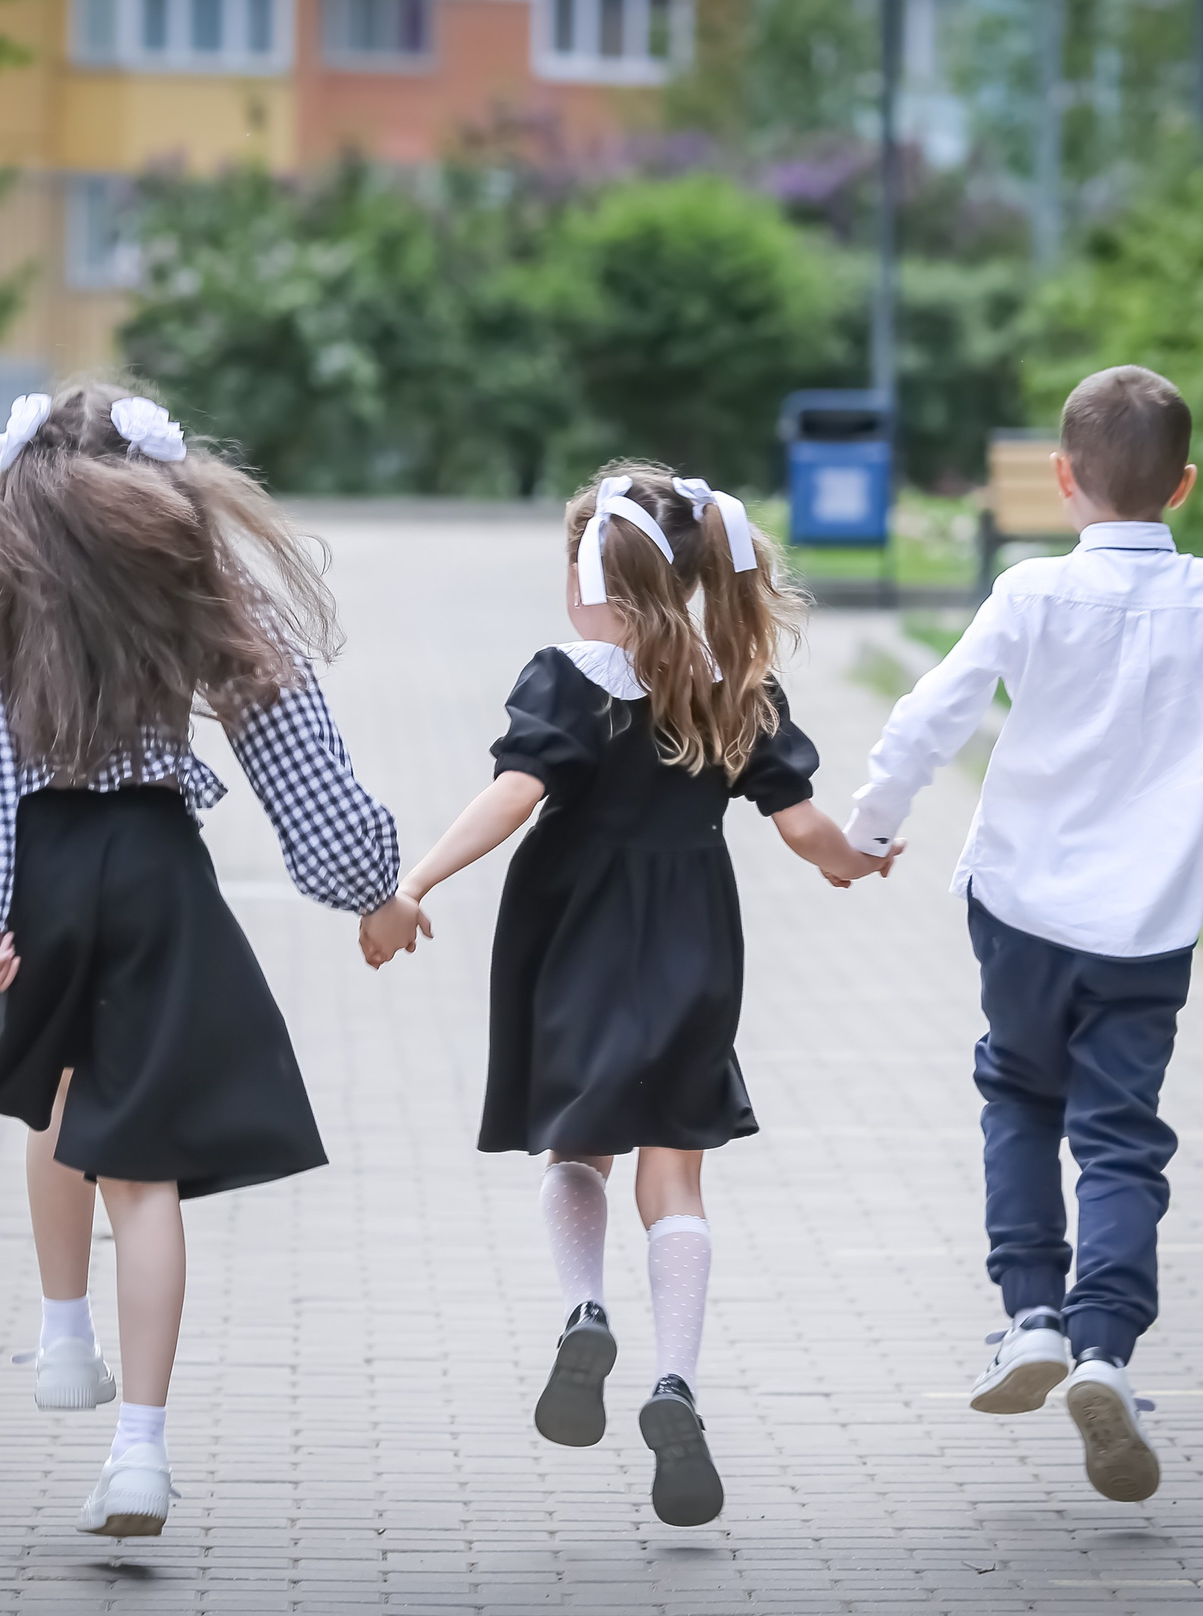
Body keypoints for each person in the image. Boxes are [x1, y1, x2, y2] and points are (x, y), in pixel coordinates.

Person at [0, 383, 420, 1540]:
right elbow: (295, 747)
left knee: (56, 1084)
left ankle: (60, 1332)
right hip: (151, 865)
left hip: (37, 875)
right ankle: (138, 1448)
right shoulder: (193, 587)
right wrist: (370, 888)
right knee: (140, 1174)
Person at [362, 463, 896, 1527]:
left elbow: (513, 794)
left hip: (574, 934)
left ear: (586, 571)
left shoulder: (568, 675)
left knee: (577, 1147)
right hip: (694, 935)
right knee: (677, 1169)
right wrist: (854, 860)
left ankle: (583, 1305)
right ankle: (676, 1381)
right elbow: (801, 828)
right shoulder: (731, 676)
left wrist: (412, 881)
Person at [843, 366, 1203, 1502]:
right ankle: (1105, 1346)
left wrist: (870, 827)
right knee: (1119, 1133)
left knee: (1018, 1093)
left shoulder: (1028, 592)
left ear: (1062, 478)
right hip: (1149, 919)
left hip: (1018, 905)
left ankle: (1030, 1319)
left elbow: (930, 713)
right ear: (1186, 484)